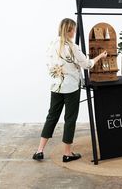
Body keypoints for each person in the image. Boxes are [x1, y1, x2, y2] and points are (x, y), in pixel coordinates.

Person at [32, 18, 107, 162]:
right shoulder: (73, 47)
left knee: (51, 117)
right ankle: (67, 153)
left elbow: (49, 64)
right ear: (70, 30)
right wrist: (100, 56)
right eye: (74, 29)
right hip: (71, 87)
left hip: (56, 86)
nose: (75, 31)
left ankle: (39, 151)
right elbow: (87, 64)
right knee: (70, 119)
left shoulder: (52, 44)